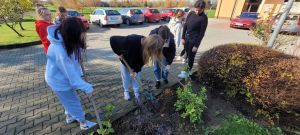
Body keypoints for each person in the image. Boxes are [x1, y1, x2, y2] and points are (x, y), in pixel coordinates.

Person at [45, 17, 96, 130]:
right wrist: (87, 87)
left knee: (67, 99)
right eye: (80, 33)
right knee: (73, 101)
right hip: (58, 80)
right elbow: (72, 77)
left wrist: (80, 52)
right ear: (72, 34)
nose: (83, 35)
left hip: (62, 77)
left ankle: (69, 116)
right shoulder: (59, 51)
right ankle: (83, 123)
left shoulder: (65, 40)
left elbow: (72, 61)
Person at [110, 34, 164, 101]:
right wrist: (119, 53)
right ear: (149, 45)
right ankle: (126, 91)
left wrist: (136, 69)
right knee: (125, 77)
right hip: (126, 62)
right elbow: (113, 39)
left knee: (136, 78)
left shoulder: (148, 49)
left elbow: (142, 61)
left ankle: (136, 92)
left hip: (137, 65)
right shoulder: (131, 41)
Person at [178, 0, 208, 79]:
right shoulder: (191, 13)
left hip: (194, 40)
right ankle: (188, 71)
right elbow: (185, 26)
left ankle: (187, 73)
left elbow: (202, 34)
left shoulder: (204, 18)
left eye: (200, 10)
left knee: (191, 57)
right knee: (187, 55)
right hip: (187, 38)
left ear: (203, 9)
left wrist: (196, 45)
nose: (197, 12)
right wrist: (182, 37)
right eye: (196, 9)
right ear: (194, 7)